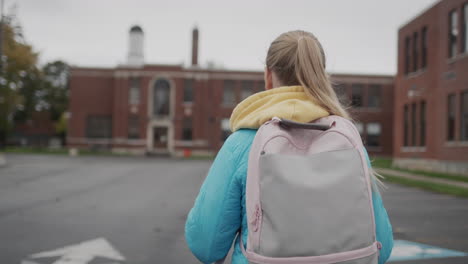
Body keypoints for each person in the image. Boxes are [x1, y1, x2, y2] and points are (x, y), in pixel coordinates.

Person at [185, 30, 393, 264]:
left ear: (268, 75)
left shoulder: (242, 144)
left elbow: (205, 244)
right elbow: (381, 247)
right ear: (320, 74)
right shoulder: (348, 142)